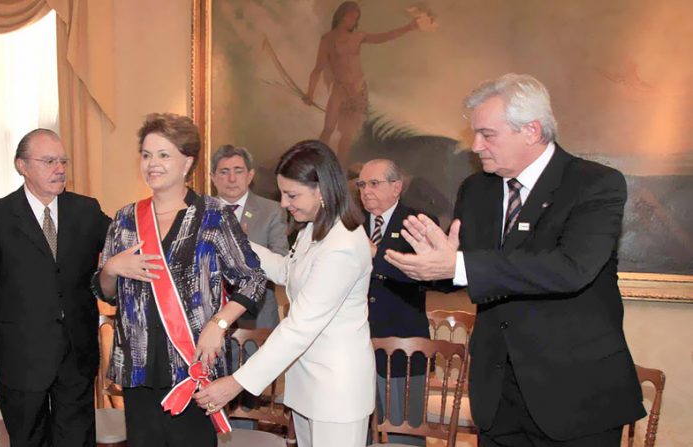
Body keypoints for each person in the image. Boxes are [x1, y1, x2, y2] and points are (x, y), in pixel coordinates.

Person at [385, 73, 646, 446]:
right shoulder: (476, 190)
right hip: (497, 395)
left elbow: (571, 268)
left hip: (575, 395)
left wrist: (459, 265)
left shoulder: (594, 183)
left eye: (487, 134)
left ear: (531, 131)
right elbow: (467, 272)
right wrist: (432, 265)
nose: (475, 146)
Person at [92, 113, 266, 447]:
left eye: (163, 154)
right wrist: (111, 268)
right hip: (138, 368)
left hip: (192, 369)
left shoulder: (214, 214)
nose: (152, 164)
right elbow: (107, 293)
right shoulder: (126, 219)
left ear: (187, 162)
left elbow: (252, 279)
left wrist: (218, 323)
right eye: (146, 155)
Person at [195, 140, 375, 447]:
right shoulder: (314, 228)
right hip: (310, 382)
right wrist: (232, 239)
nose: (283, 202)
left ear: (321, 190)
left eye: (292, 194)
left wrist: (236, 383)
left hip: (336, 388)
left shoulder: (342, 245)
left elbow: (299, 327)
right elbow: (286, 271)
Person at [0, 129, 111, 447]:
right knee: (28, 439)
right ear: (22, 165)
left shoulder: (86, 211)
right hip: (19, 357)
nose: (59, 168)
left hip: (76, 352)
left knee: (77, 439)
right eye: (48, 161)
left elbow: (126, 240)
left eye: (63, 161)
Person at [357, 159, 436, 445]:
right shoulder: (350, 225)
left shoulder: (418, 224)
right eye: (362, 184)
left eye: (374, 183)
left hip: (403, 347)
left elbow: (422, 276)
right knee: (358, 432)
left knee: (406, 436)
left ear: (397, 187)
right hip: (356, 348)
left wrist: (375, 253)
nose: (366, 191)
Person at [302, 1, 430, 165]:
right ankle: (315, 164)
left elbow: (383, 37)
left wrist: (408, 27)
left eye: (356, 18)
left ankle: (340, 169)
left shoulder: (358, 36)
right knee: (328, 129)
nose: (354, 21)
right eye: (351, 16)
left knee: (347, 136)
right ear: (342, 15)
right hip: (340, 89)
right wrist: (309, 94)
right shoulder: (328, 39)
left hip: (359, 91)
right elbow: (317, 69)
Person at [210, 144, 289, 328]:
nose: (231, 178)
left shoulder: (272, 210)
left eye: (238, 171)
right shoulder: (198, 212)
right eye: (224, 172)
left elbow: (281, 260)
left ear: (250, 175)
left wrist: (243, 246)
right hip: (211, 314)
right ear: (213, 177)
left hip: (258, 316)